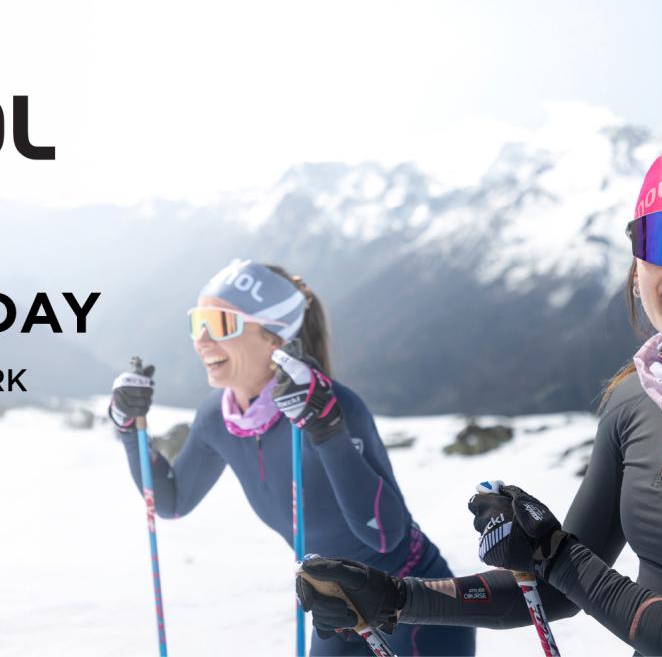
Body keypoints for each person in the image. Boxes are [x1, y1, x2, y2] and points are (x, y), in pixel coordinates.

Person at [295, 144, 662, 655]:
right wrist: (393, 597)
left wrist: (557, 554)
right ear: (638, 264)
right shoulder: (634, 402)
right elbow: (552, 591)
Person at [111, 258, 475, 656]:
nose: (201, 339)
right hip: (337, 613)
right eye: (197, 322)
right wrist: (131, 430)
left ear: (276, 338)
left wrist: (327, 431)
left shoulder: (333, 407)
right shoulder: (218, 417)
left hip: (416, 608)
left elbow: (385, 537)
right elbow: (171, 502)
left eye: (219, 324)